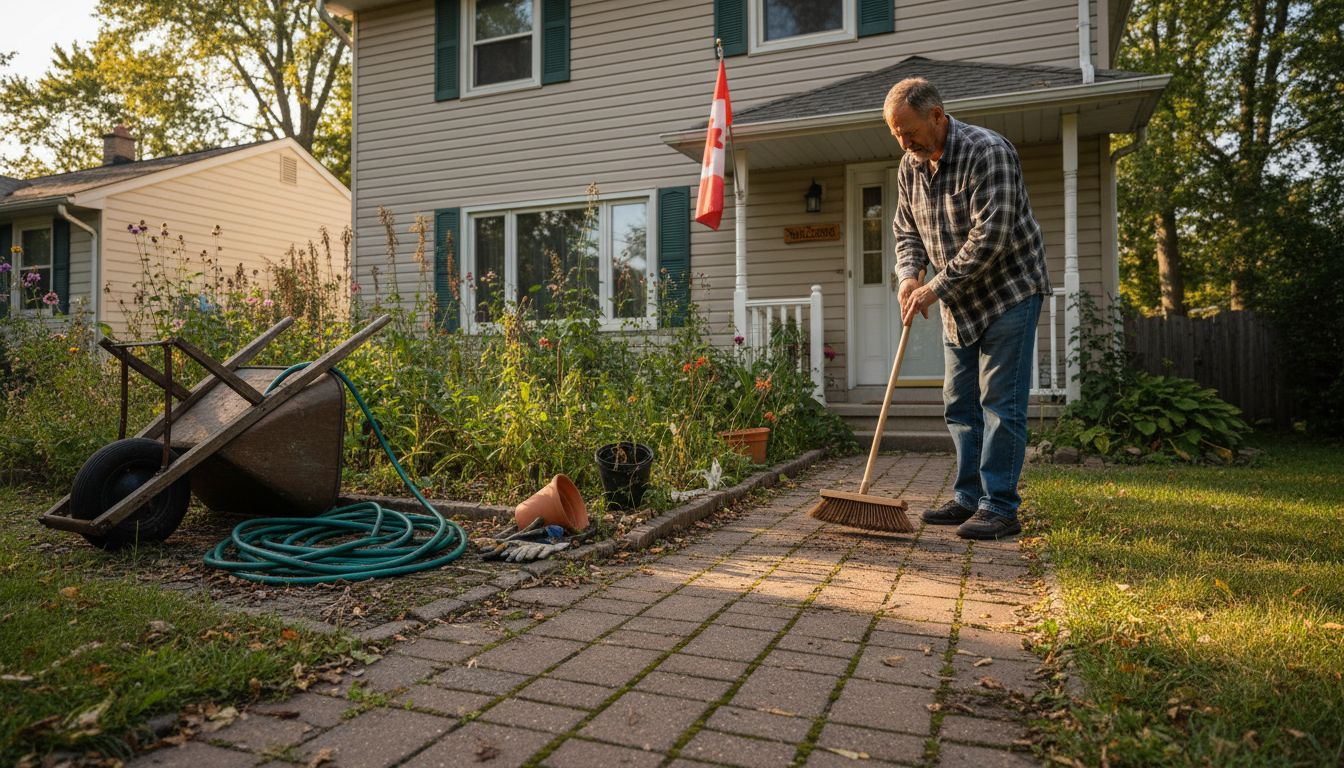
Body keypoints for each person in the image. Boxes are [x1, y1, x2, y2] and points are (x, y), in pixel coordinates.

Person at [883, 77, 1051, 540]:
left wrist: (934, 287)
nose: (904, 141)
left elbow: (991, 238)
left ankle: (1000, 507)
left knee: (1000, 403)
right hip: (958, 300)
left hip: (1009, 291)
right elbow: (906, 231)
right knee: (959, 403)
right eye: (896, 133)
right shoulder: (910, 165)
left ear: (937, 115)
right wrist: (909, 276)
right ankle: (968, 498)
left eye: (909, 130)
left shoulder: (988, 151)